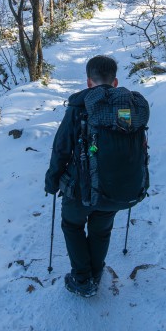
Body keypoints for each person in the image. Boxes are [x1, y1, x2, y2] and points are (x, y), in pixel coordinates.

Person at [45, 55, 121, 298]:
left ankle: (82, 278)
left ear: (89, 82)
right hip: (112, 188)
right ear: (115, 82)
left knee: (72, 226)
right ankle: (95, 274)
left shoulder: (79, 107)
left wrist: (52, 179)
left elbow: (61, 148)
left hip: (79, 188)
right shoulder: (125, 109)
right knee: (101, 231)